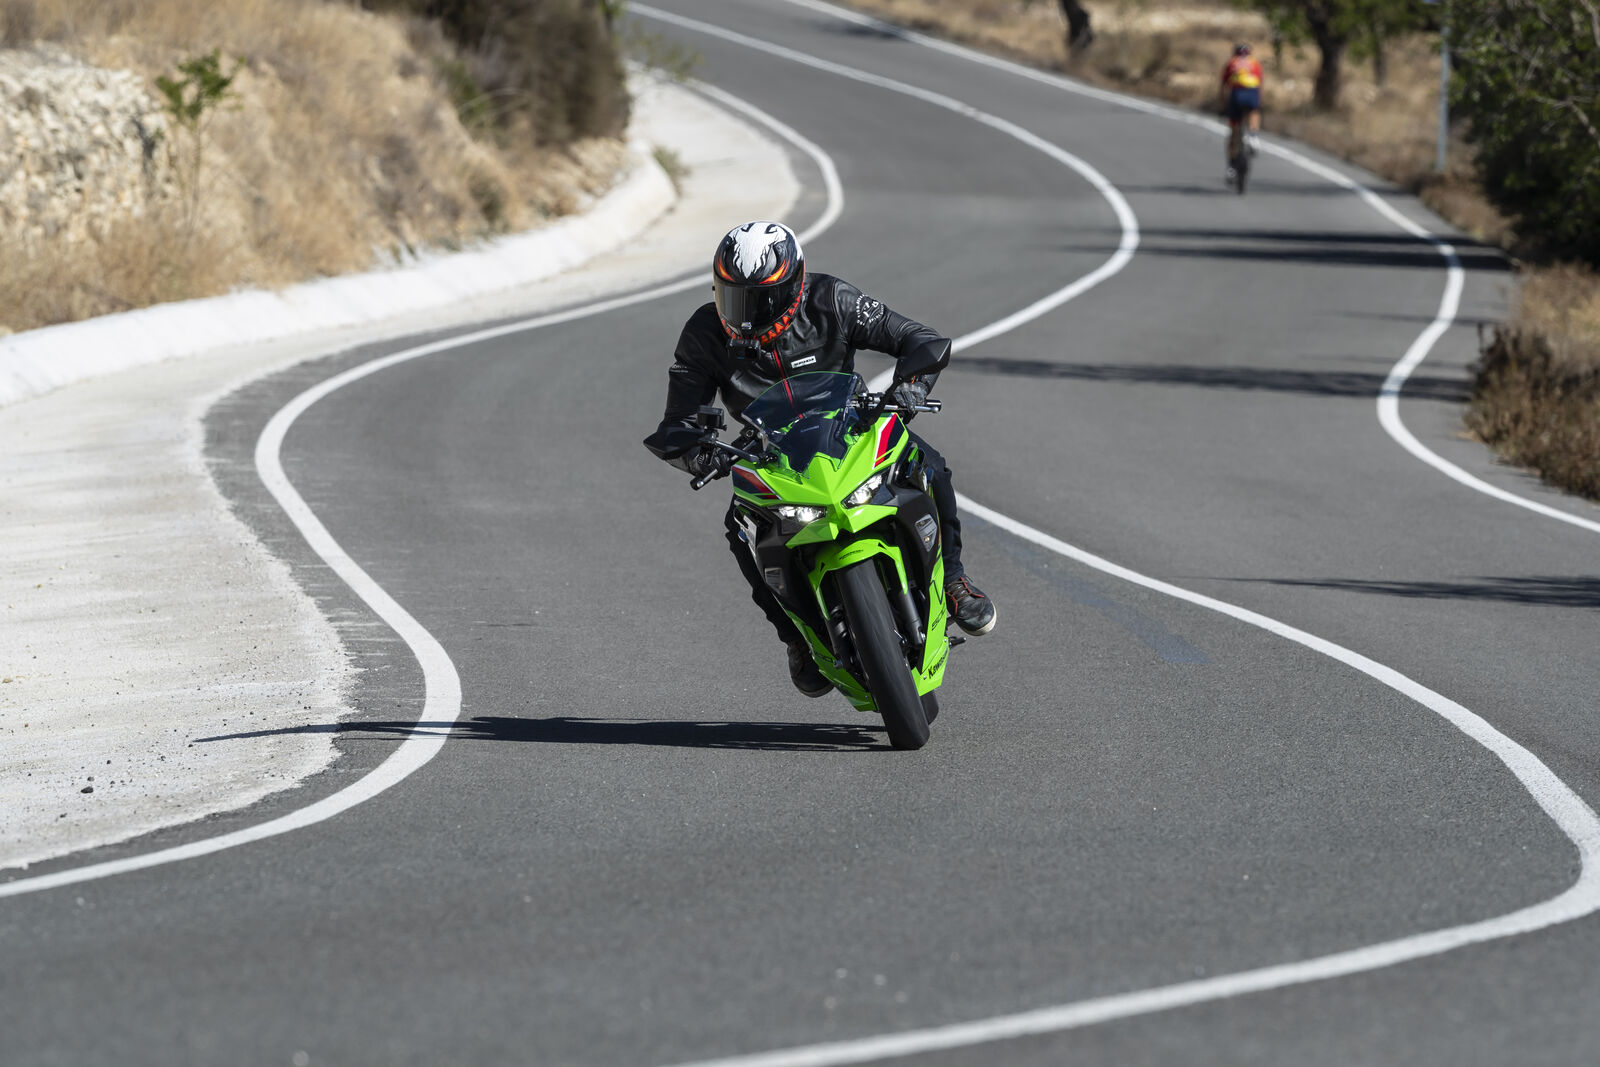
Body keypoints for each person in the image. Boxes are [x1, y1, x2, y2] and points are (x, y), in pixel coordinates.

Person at [644, 221, 997, 697]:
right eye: (734, 297)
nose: (745, 315)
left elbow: (918, 338)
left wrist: (911, 385)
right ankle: (796, 639)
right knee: (740, 529)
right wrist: (695, 451)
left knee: (929, 465)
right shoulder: (704, 332)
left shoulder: (832, 299)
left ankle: (953, 580)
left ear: (794, 286)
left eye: (761, 300)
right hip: (771, 453)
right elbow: (678, 418)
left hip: (850, 429)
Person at [1220, 43, 1264, 174]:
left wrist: (1223, 104)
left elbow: (1224, 85)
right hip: (1252, 93)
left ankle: (1231, 166)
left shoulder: (1231, 62)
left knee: (1234, 130)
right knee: (1254, 112)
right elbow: (1260, 84)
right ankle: (1253, 136)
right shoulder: (1255, 63)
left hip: (1236, 93)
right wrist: (1259, 102)